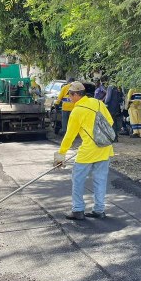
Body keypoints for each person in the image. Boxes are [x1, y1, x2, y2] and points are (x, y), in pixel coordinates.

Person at [54, 81, 114, 220]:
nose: (69, 97)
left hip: (87, 152)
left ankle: (78, 210)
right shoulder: (98, 103)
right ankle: (99, 210)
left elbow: (69, 136)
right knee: (100, 180)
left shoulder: (77, 111)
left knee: (78, 180)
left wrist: (61, 155)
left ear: (75, 95)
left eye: (70, 94)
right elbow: (109, 122)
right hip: (105, 148)